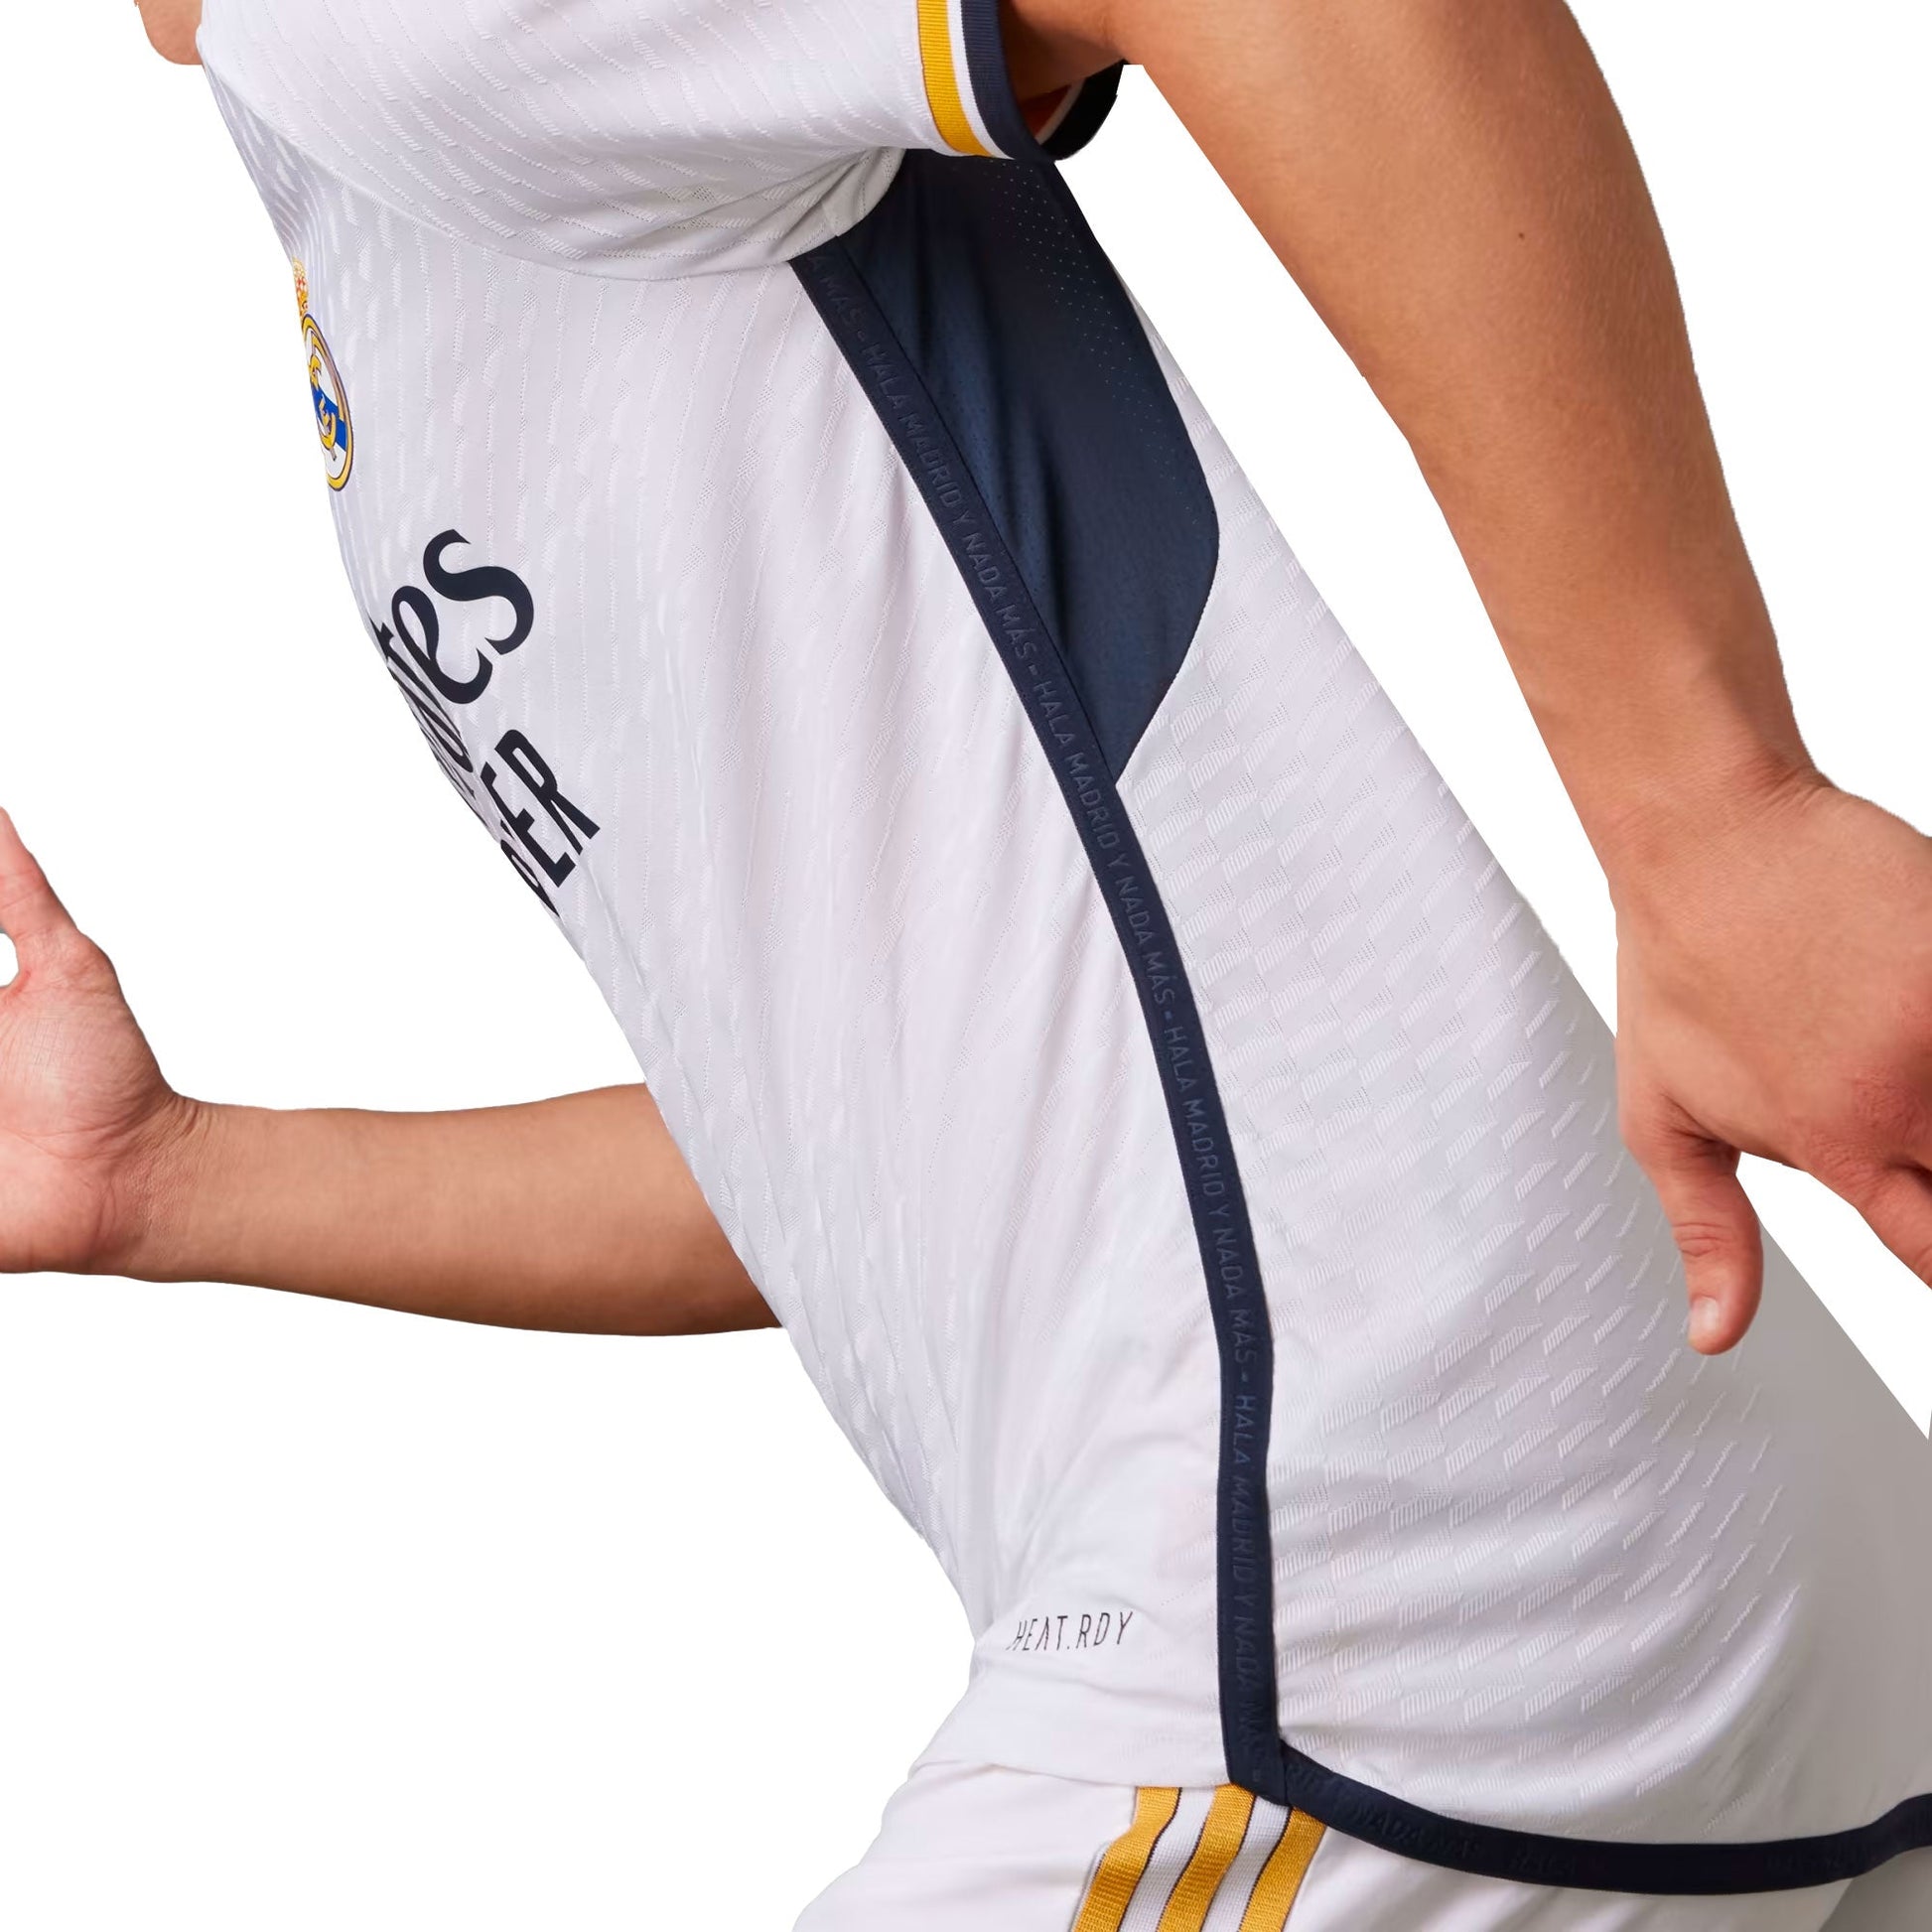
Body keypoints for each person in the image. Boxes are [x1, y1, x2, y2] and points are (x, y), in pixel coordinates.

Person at [6, 0, 1929, 1922]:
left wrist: (1715, 809)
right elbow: (894, 1136)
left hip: (1394, 1573)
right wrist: (167, 1186)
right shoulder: (362, 157)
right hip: (1604, 1551)